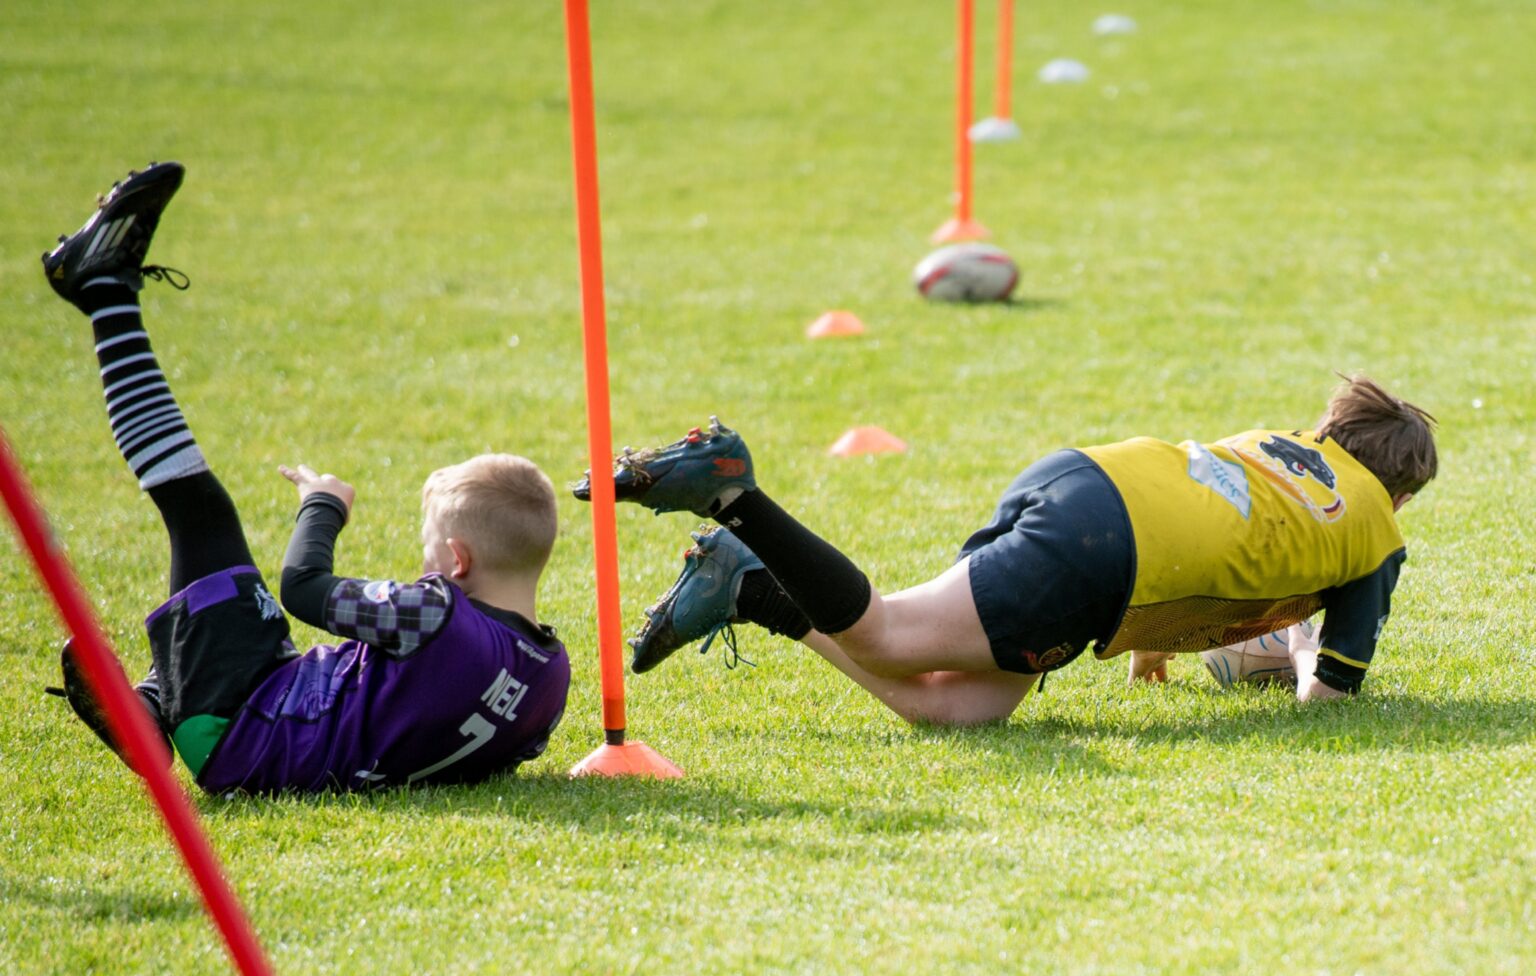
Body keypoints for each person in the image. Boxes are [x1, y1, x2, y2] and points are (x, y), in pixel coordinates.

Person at [41, 162, 569, 792]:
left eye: (429, 546)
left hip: (243, 723)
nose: (422, 564)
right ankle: (150, 713)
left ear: (457, 560)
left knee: (200, 512)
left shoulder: (432, 613)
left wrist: (321, 507)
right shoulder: (551, 676)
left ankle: (103, 288)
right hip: (286, 713)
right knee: (233, 610)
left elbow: (302, 585)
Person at [577, 378, 1436, 725]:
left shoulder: (1291, 451)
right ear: (1398, 494)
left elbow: (1216, 533)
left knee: (957, 709)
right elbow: (1329, 694)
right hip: (1101, 549)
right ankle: (735, 495)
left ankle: (752, 590)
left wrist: (1159, 659)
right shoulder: (1374, 527)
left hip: (1089, 482)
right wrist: (1290, 659)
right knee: (890, 635)